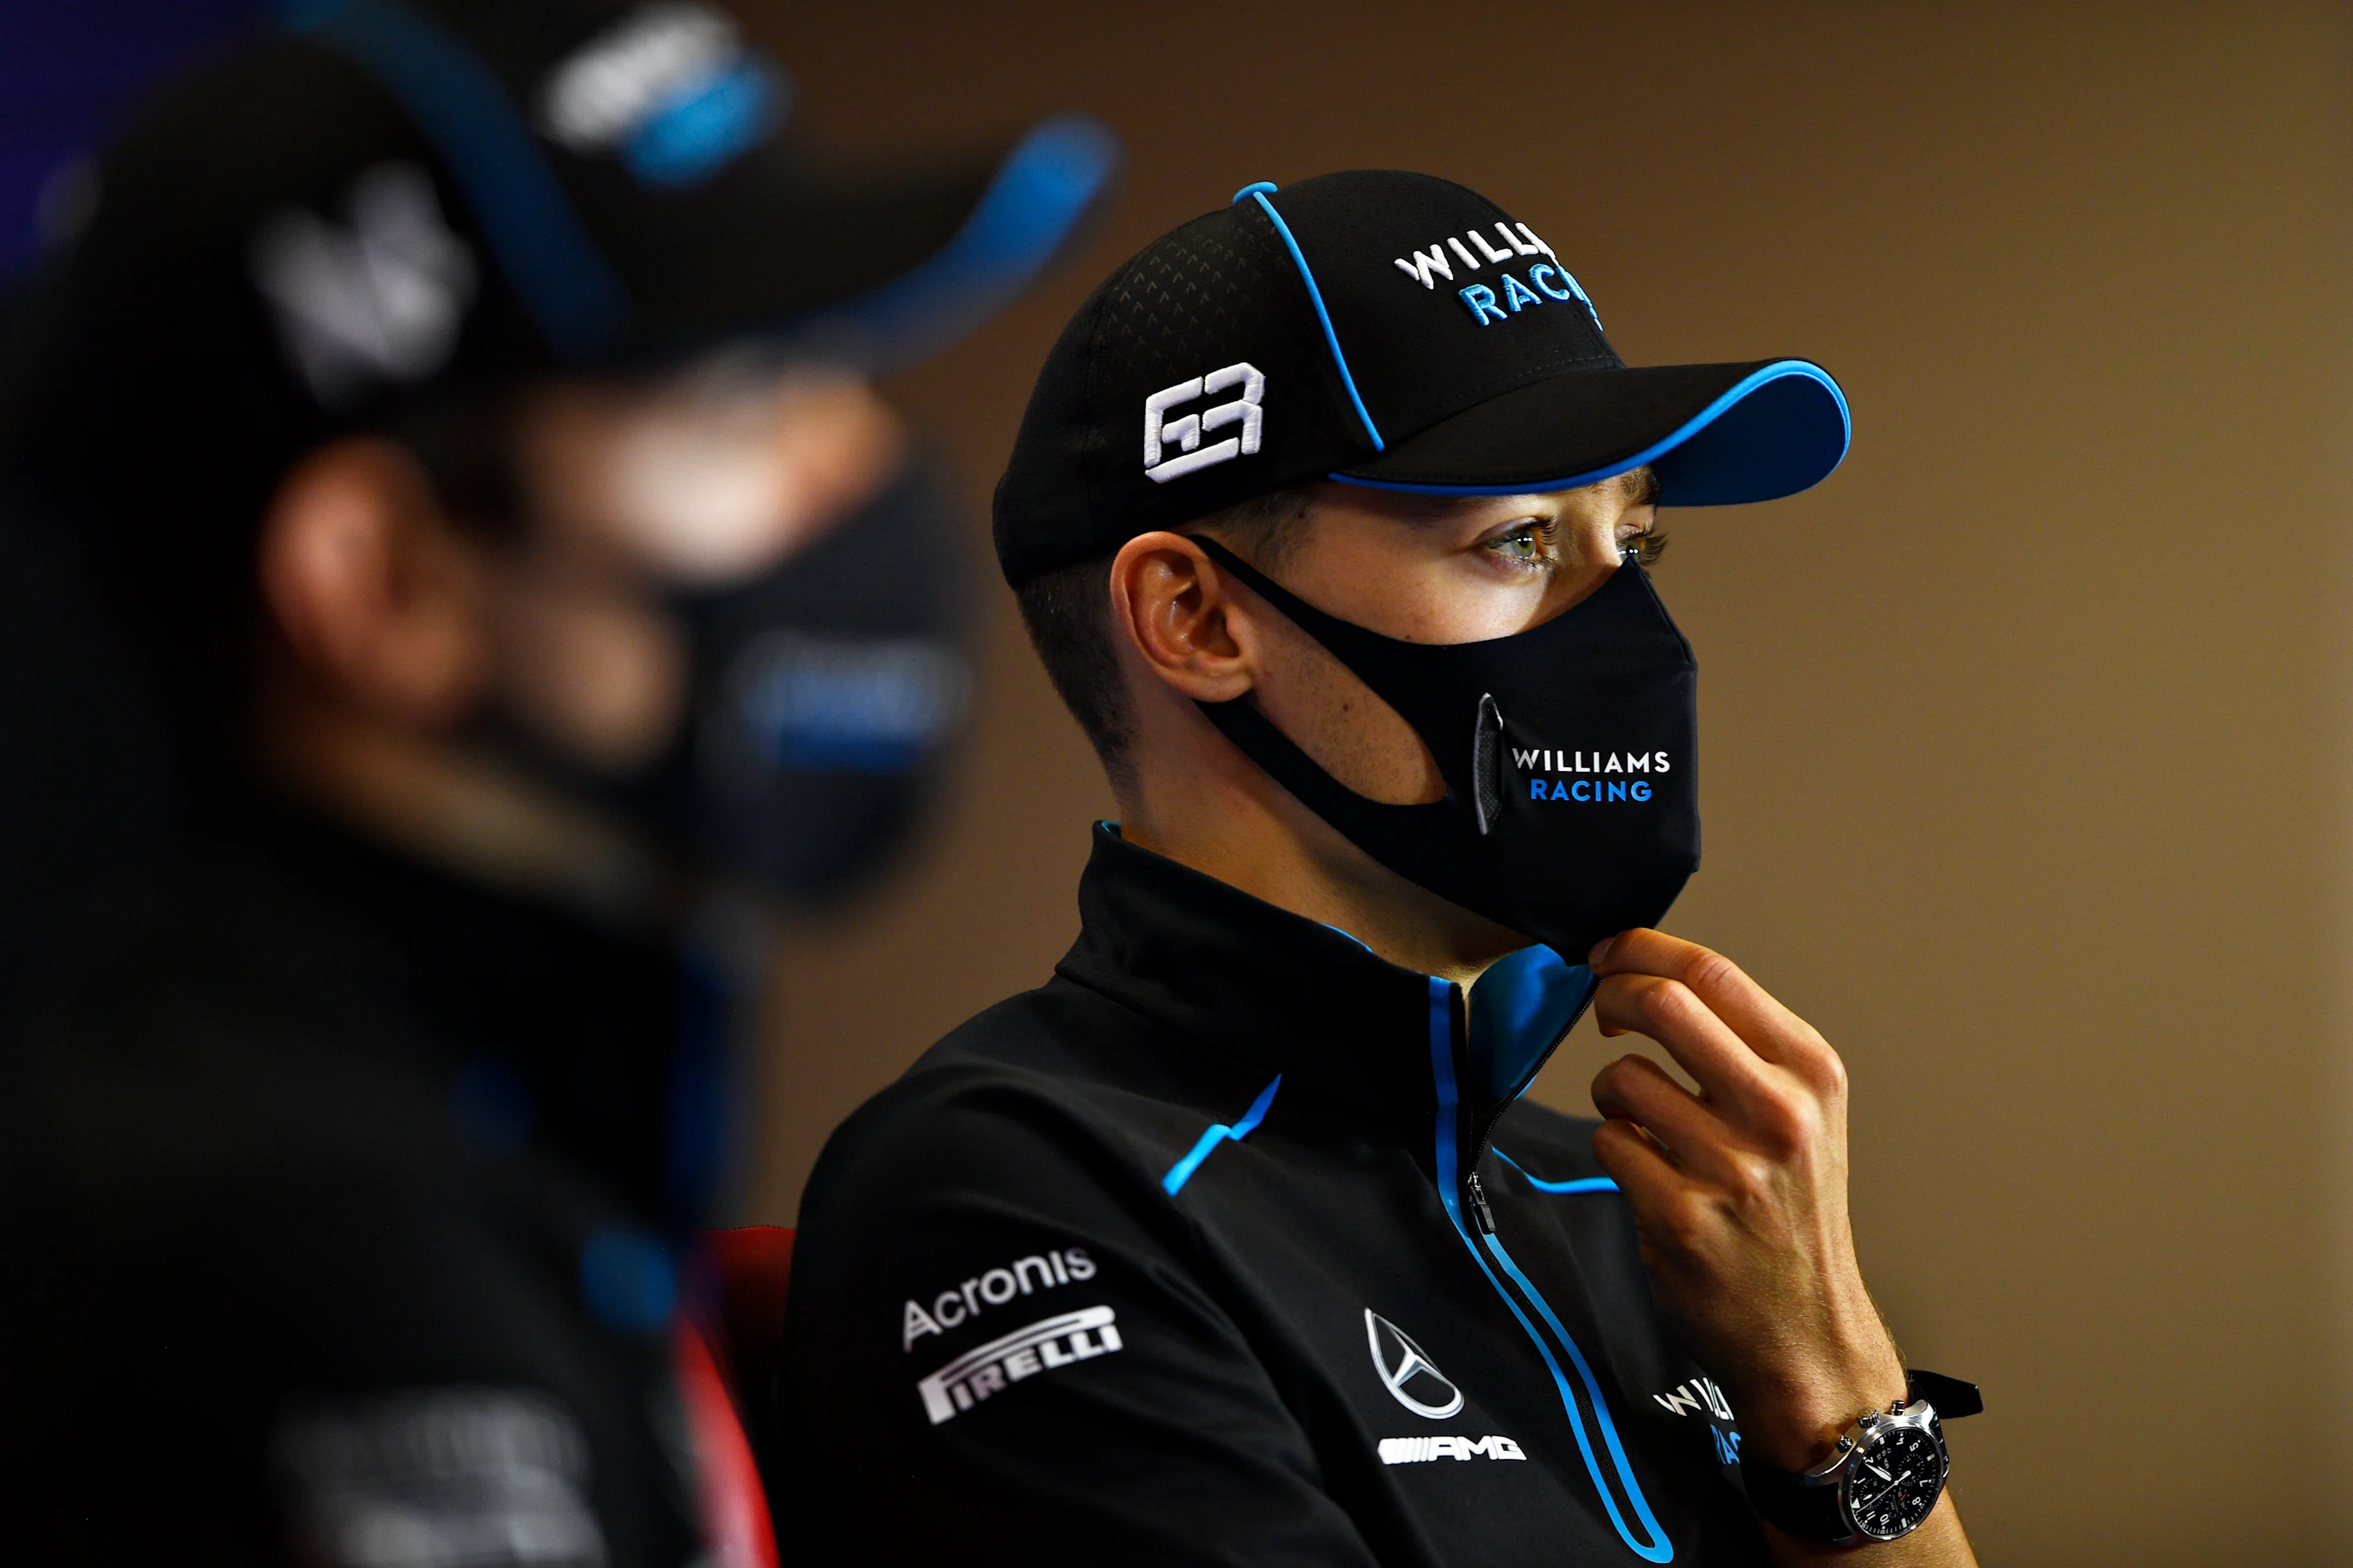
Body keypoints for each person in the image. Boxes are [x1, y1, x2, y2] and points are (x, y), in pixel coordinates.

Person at [0, 1, 1115, 1560]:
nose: (855, 464)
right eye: (748, 394)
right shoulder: (299, 1255)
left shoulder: (470, 1116)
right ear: (385, 582)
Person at [778, 171, 1981, 1565]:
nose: (1634, 629)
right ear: (1195, 617)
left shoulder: (1660, 1204)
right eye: (1520, 539)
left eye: (1633, 540)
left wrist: (1836, 1395)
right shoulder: (999, 1191)